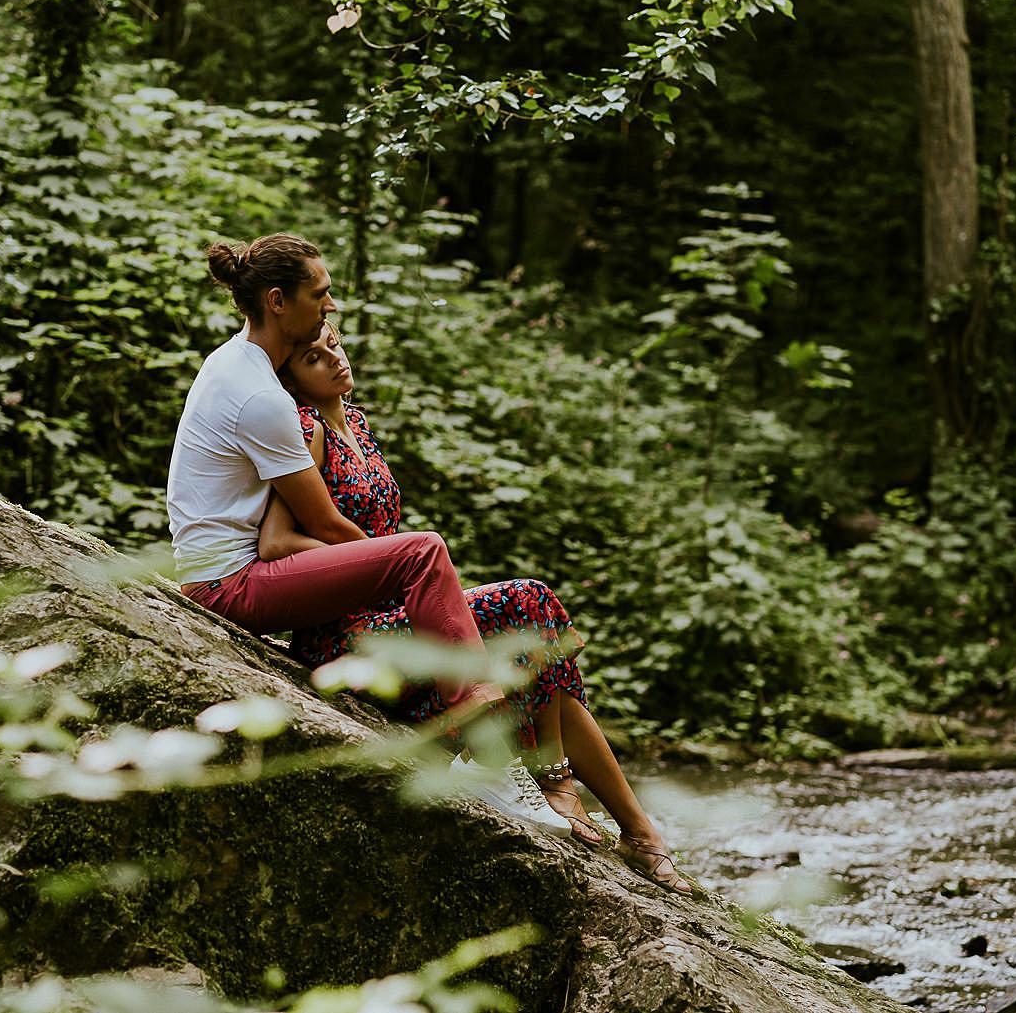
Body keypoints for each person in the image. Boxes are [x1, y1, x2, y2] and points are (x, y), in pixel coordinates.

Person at [257, 321, 693, 895]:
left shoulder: (357, 425)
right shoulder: (306, 432)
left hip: (400, 612)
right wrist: (371, 566)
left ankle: (634, 828)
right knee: (526, 603)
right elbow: (276, 544)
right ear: (290, 378)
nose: (334, 360)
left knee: (536, 638)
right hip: (348, 636)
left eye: (334, 344)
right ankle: (569, 788)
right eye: (314, 358)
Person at [167, 232, 568, 836]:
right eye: (320, 295)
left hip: (236, 573)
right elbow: (326, 523)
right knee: (424, 551)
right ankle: (488, 753)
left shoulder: (241, 366)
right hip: (228, 585)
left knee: (433, 569)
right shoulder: (259, 394)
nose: (331, 307)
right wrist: (400, 576)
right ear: (278, 301)